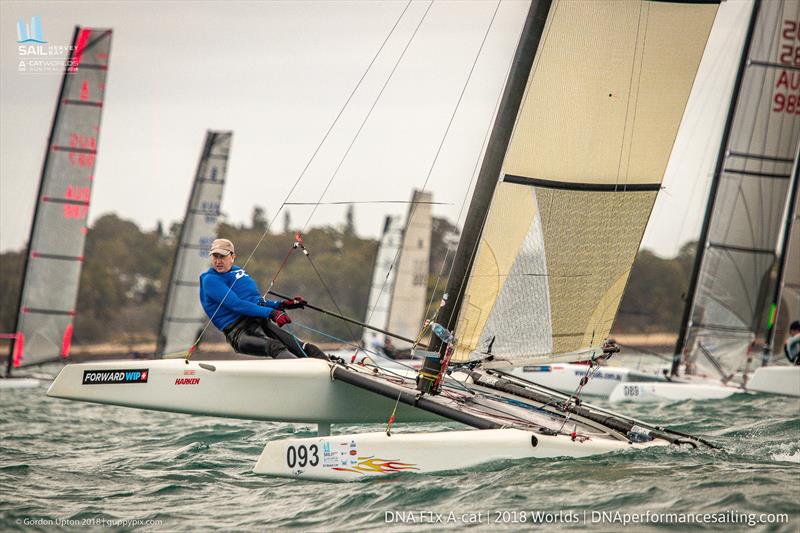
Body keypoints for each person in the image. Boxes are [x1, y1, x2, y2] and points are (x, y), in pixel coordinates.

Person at [199, 238, 328, 360]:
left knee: (300, 346)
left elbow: (255, 301)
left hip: (259, 322)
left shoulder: (237, 272)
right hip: (239, 333)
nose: (218, 261)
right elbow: (237, 305)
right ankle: (303, 375)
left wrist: (282, 305)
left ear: (232, 257)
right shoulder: (210, 280)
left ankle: (332, 365)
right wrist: (271, 313)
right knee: (275, 346)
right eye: (215, 256)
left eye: (222, 256)